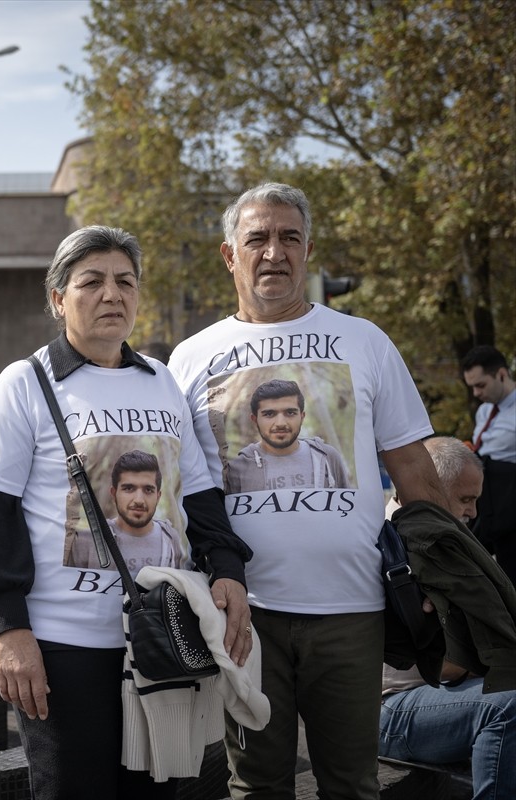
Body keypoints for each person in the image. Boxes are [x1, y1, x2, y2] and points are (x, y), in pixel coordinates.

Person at [169, 182, 452, 800]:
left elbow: (414, 469)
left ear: (309, 250)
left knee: (352, 784)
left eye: (289, 238)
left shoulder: (366, 341)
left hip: (352, 610)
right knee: (256, 786)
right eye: (258, 239)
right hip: (242, 616)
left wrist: (448, 579)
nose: (274, 252)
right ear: (229, 255)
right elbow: (177, 490)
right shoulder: (188, 360)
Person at [0, 225, 254, 799]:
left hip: (160, 639)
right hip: (63, 648)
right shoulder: (24, 385)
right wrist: (10, 631)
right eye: (91, 282)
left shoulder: (162, 382)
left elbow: (198, 497)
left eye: (125, 281)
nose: (111, 294)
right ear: (58, 298)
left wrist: (228, 570)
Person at [379, 436, 514, 800]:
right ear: (430, 485)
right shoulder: (390, 546)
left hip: (435, 697)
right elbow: (444, 665)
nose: (473, 512)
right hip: (389, 709)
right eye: (466, 499)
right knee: (509, 706)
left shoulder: (443, 541)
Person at [226, 379, 350, 492]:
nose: (280, 423)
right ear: (255, 420)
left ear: (302, 417)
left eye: (290, 413)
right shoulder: (238, 468)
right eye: (269, 414)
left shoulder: (328, 457)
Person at [461, 345, 516, 585]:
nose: (476, 393)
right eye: (472, 386)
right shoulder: (484, 412)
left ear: (501, 374)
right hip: (485, 507)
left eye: (481, 385)